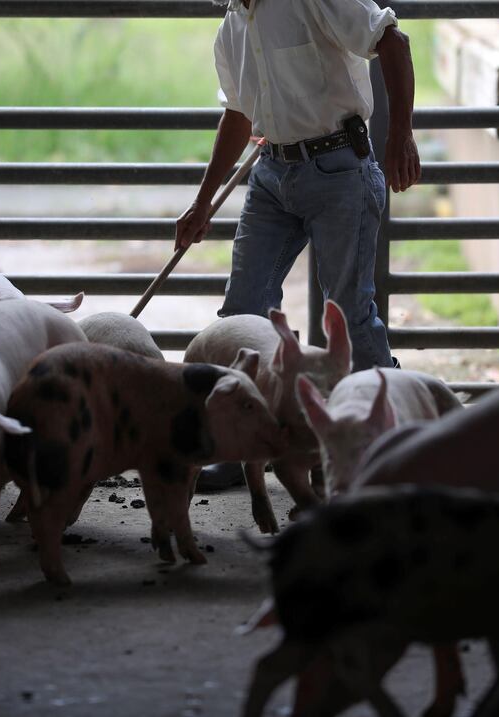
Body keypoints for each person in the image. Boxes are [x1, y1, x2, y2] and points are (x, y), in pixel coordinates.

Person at [177, 0, 421, 490]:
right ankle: (238, 442)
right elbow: (239, 114)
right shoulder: (230, 29)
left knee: (348, 313)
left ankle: (392, 438)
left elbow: (392, 41)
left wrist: (400, 134)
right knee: (243, 310)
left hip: (339, 167)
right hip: (271, 174)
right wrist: (202, 203)